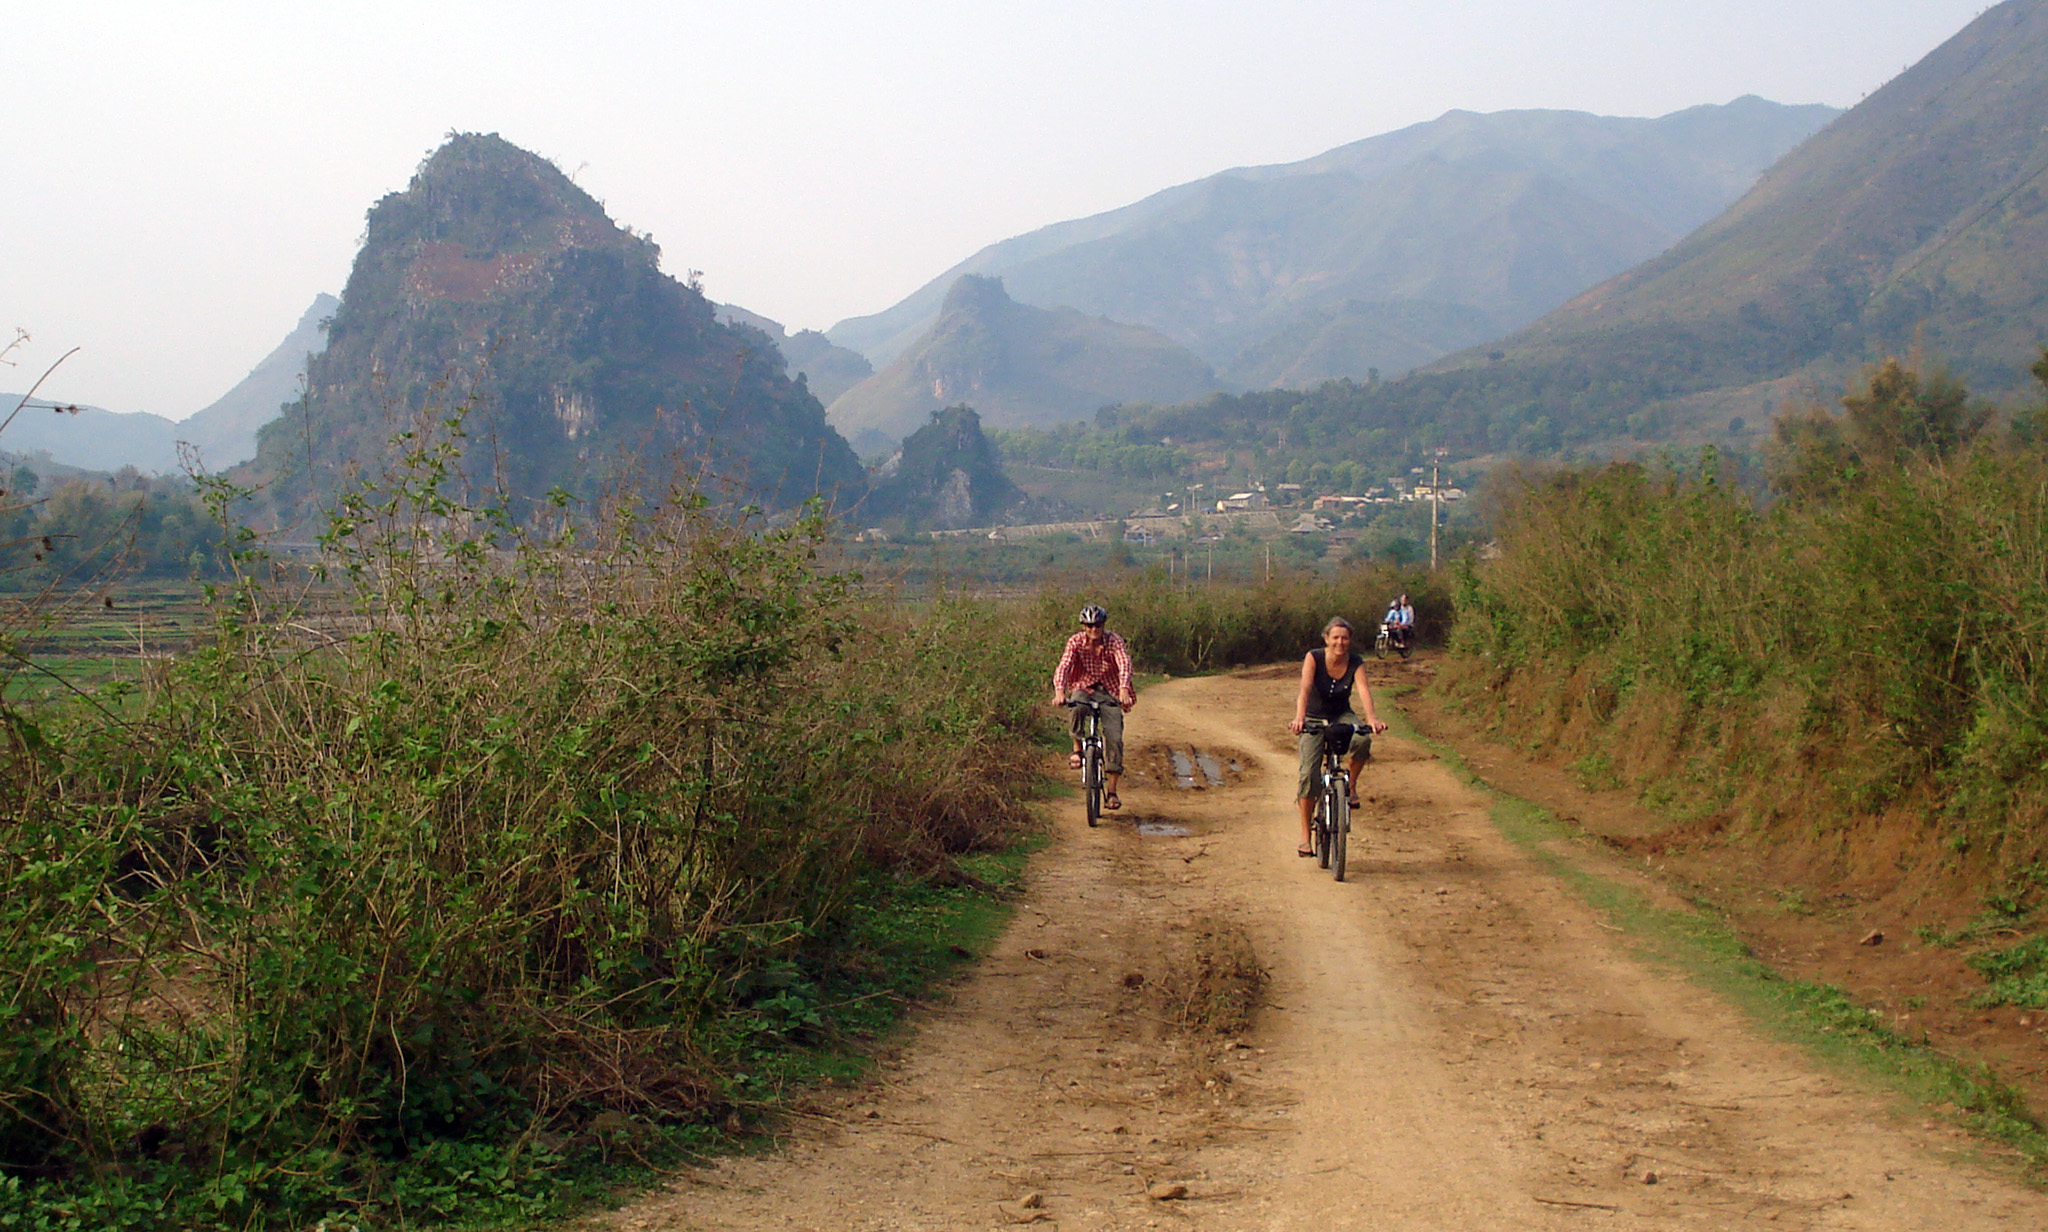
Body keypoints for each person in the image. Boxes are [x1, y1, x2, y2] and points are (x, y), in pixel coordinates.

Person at [1287, 617, 1388, 856]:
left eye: (1344, 638)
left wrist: (1371, 719)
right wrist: (1300, 718)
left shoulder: (1356, 662)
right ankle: (1305, 836)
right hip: (1313, 718)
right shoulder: (1314, 657)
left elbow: (1363, 689)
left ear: (1350, 640)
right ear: (1326, 639)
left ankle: (1350, 787)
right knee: (1308, 776)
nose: (1340, 643)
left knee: (1363, 740)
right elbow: (1305, 688)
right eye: (1335, 638)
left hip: (1342, 715)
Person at [1050, 603, 1136, 811]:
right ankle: (1077, 749)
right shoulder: (1075, 641)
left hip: (1111, 690)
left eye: (1097, 625)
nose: (1093, 630)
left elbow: (1124, 663)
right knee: (1076, 707)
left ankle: (1112, 792)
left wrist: (1124, 689)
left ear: (1103, 625)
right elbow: (1064, 666)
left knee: (1114, 737)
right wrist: (1060, 691)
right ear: (1083, 627)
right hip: (1083, 686)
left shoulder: (1113, 641)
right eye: (1089, 626)